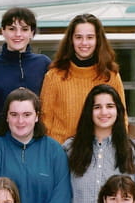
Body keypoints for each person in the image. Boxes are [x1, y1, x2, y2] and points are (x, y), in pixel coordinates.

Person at [40, 13, 125, 144]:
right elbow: (44, 120)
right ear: (71, 40)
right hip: (61, 151)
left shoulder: (111, 76)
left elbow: (122, 118)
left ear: (98, 40)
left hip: (99, 151)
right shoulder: (54, 76)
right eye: (78, 37)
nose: (84, 43)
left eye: (90, 37)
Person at [0, 7, 51, 143]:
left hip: (35, 143)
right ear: (3, 31)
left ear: (32, 33)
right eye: (12, 29)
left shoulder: (43, 64)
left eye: (24, 29)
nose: (18, 34)